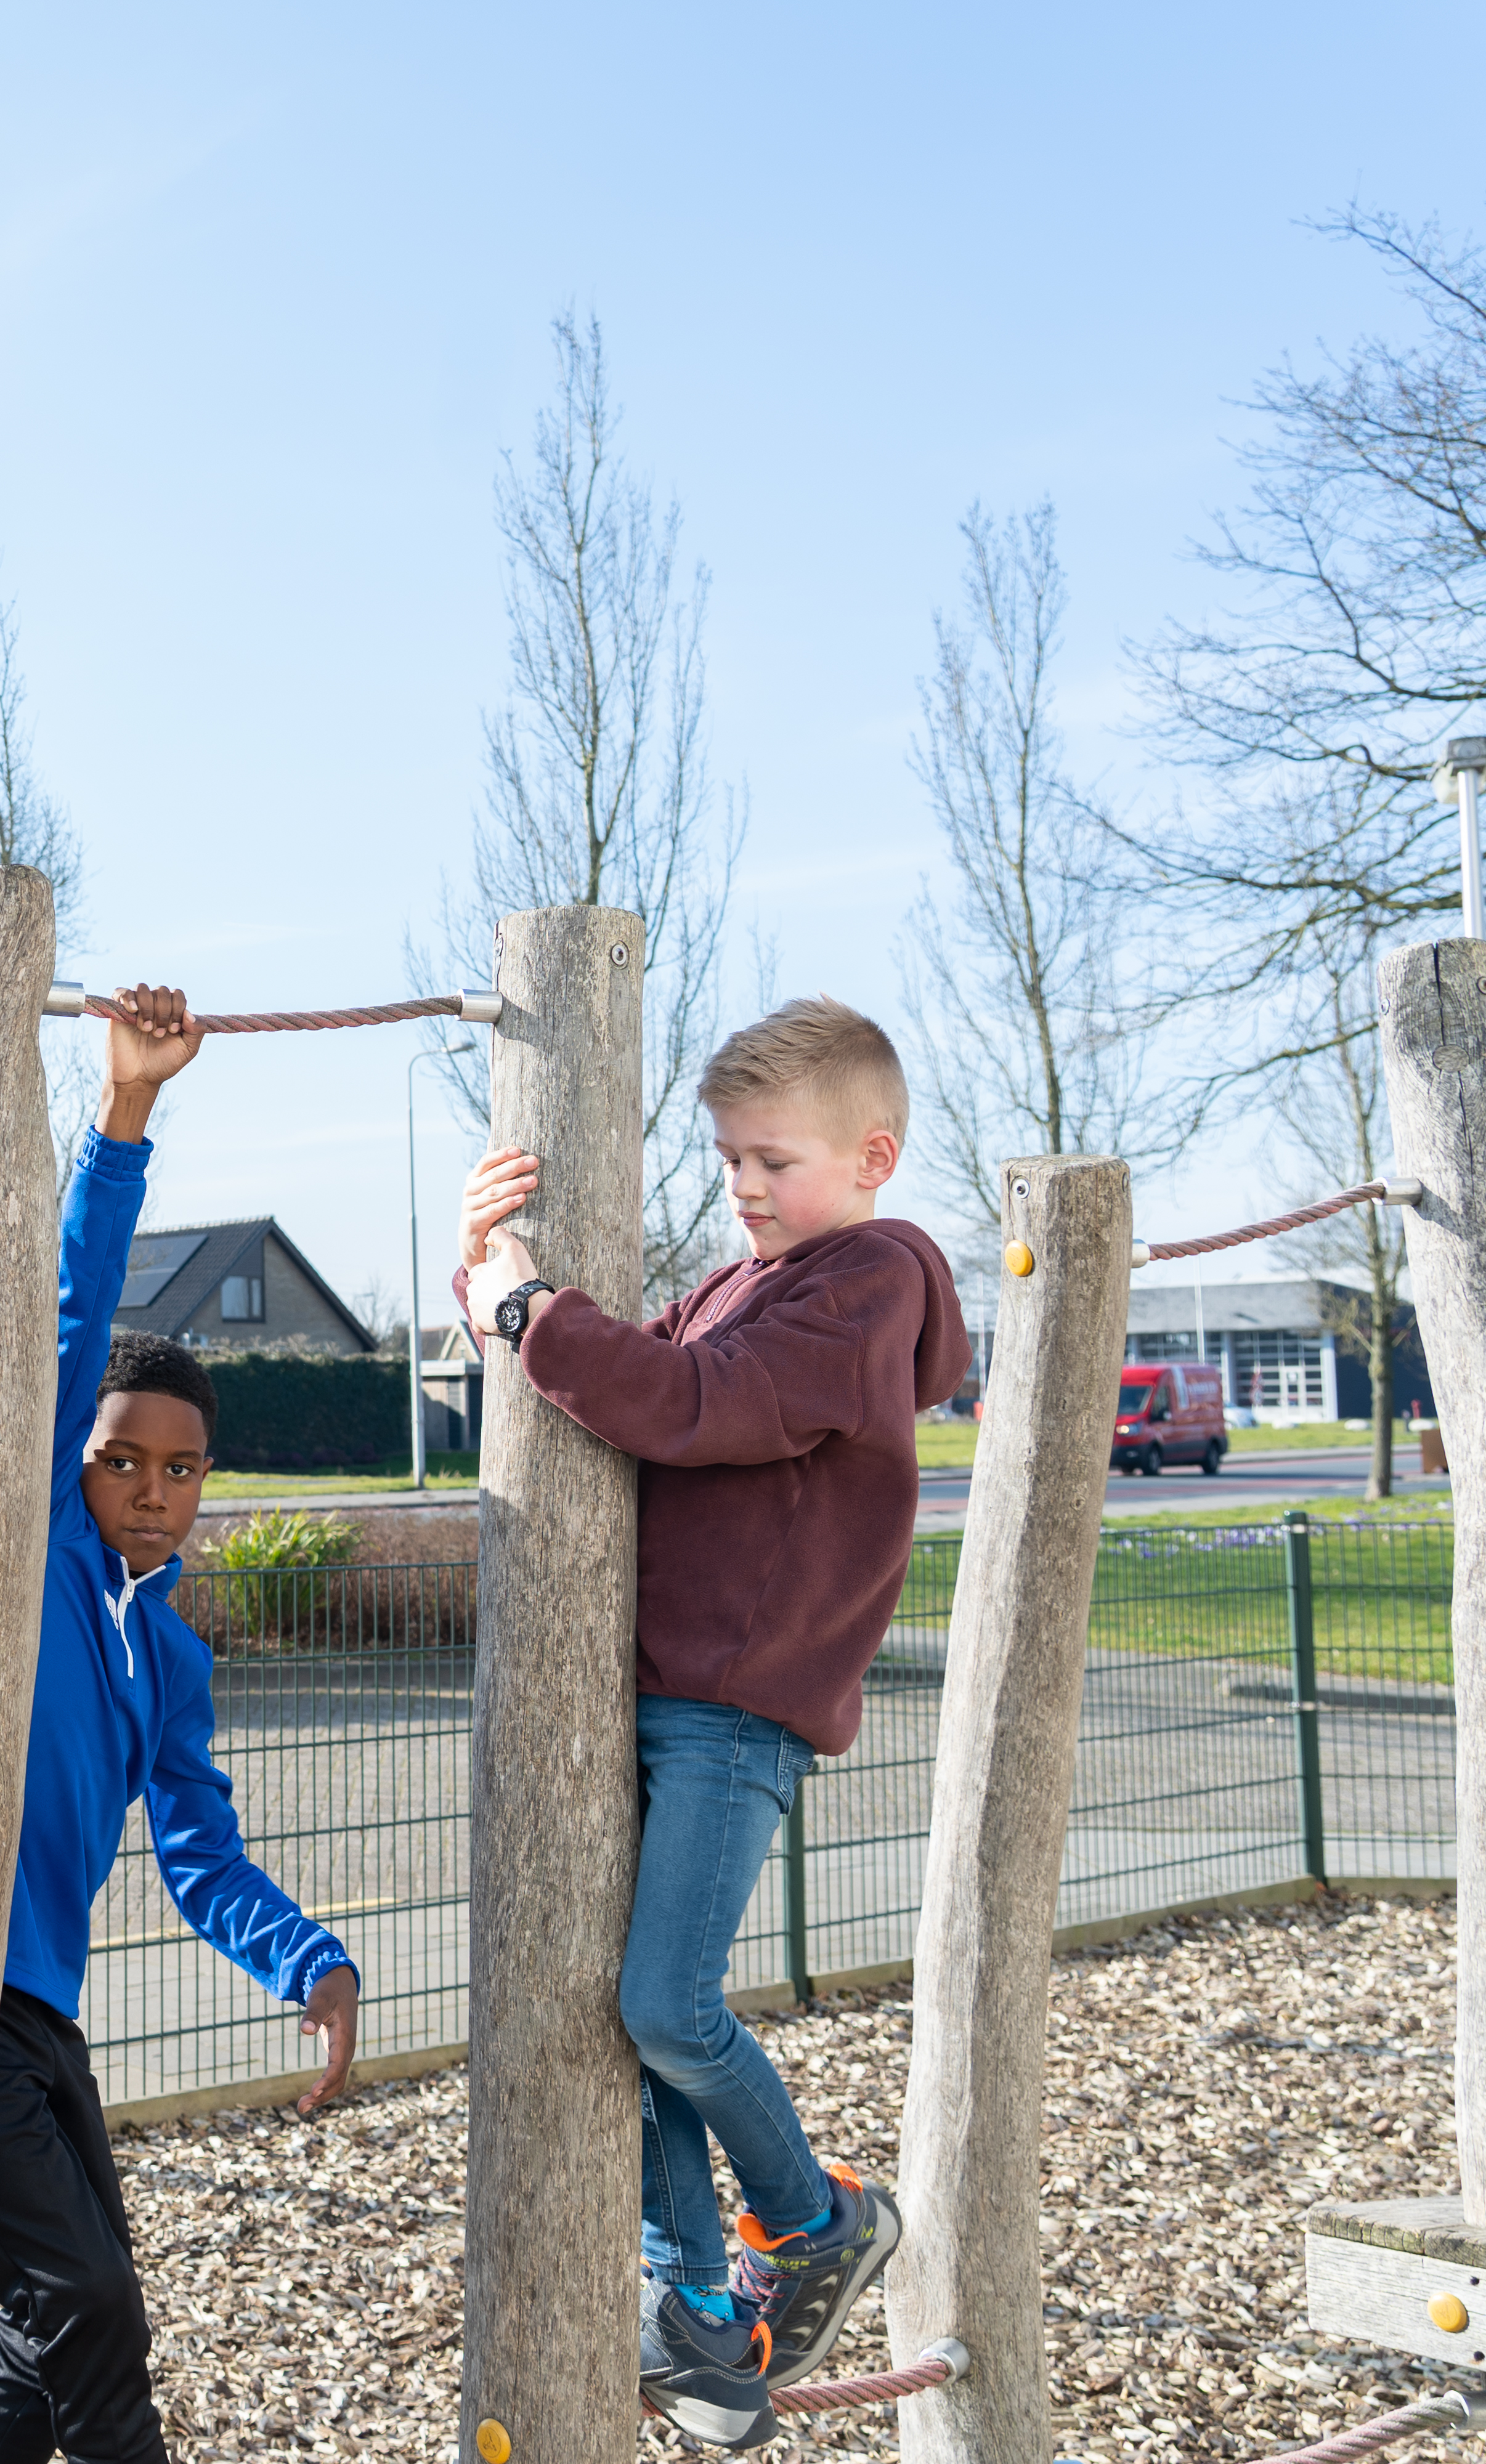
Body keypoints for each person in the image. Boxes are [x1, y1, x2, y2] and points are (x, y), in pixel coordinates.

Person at [455, 995, 970, 2450]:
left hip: (736, 1703)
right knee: (625, 2008)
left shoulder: (865, 1283)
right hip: (659, 1688)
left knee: (667, 2004)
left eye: (774, 1161)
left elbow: (686, 1401)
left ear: (871, 1157)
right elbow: (613, 1362)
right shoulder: (749, 1280)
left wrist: (530, 1312)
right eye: (731, 1157)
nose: (743, 1185)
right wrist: (491, 1263)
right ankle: (696, 2304)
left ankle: (812, 2216)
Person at [0, 981, 363, 2463]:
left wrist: (311, 1959)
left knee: (52, 2327)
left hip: (42, 2015)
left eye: (181, 1468)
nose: (150, 1486)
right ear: (77, 1461)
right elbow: (78, 1311)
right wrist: (126, 1109)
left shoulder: (173, 1658)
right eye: (121, 1458)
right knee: (90, 2308)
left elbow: (201, 1857)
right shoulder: (38, 1551)